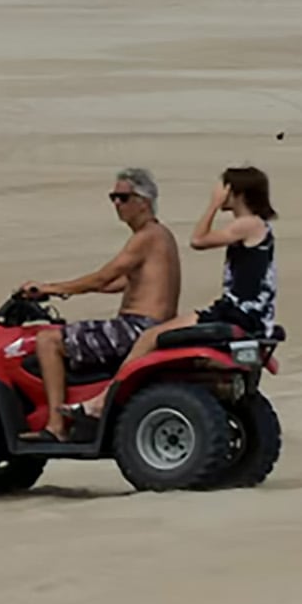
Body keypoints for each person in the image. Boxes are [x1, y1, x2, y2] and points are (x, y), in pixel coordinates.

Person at [76, 167, 277, 421]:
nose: (217, 192)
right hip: (248, 313)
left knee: (149, 337)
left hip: (236, 312)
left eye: (222, 188)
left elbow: (198, 240)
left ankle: (103, 401)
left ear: (236, 192)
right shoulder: (258, 226)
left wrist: (213, 205)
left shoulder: (247, 223)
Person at [19, 168, 182, 441]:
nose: (117, 204)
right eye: (113, 198)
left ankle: (56, 427)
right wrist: (63, 289)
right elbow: (120, 283)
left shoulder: (146, 237)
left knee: (48, 340)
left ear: (143, 201)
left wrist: (50, 288)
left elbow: (102, 277)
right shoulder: (162, 236)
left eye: (123, 197)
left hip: (136, 327)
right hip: (150, 326)